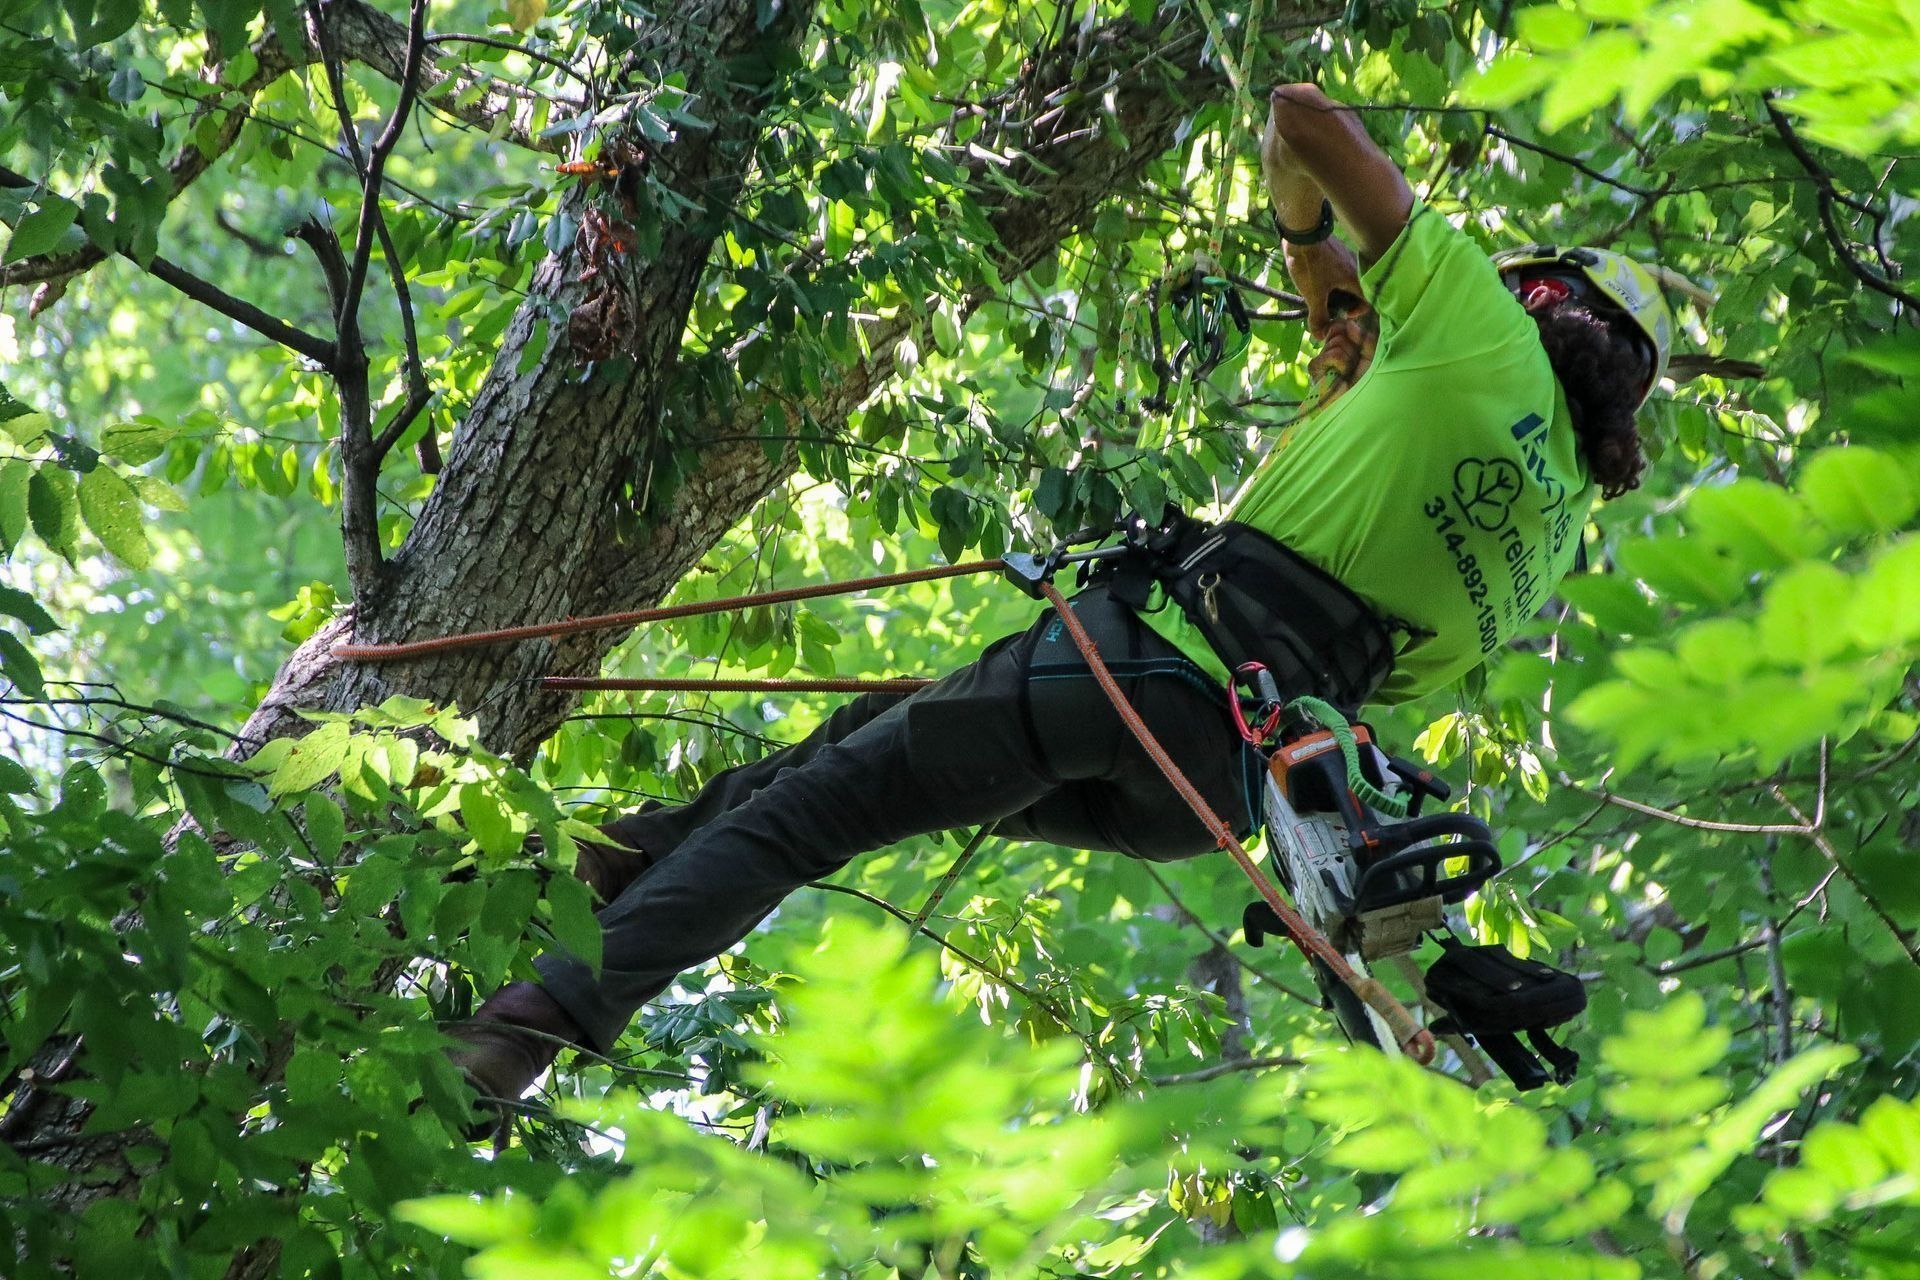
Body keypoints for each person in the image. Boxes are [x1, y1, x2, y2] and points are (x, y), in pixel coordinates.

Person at [446, 83, 1675, 1117]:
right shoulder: (1548, 536)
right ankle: (630, 856)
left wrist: (1314, 263)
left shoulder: (1479, 324)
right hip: (1207, 792)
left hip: (1137, 665)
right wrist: (1355, 364)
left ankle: (526, 1027)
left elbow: (1301, 118)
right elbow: (1348, 606)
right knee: (871, 749)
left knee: (814, 818)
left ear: (1541, 300)